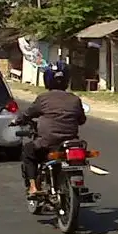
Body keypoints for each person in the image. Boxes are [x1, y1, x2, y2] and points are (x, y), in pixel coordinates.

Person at [15, 61, 87, 196]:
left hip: (47, 143)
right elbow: (82, 120)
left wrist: (17, 120)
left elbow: (27, 114)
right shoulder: (75, 99)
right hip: (70, 143)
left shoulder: (43, 99)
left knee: (28, 151)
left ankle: (33, 187)